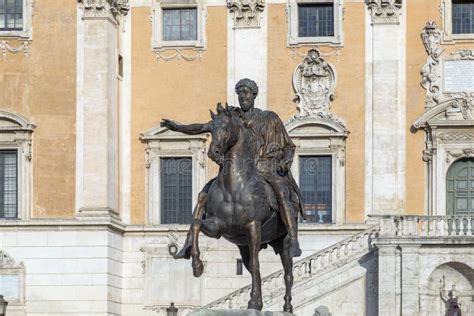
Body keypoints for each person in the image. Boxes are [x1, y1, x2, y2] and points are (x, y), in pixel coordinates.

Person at [161, 78, 304, 257]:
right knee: (205, 193)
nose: (243, 96)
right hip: (240, 169)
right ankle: (189, 242)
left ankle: (292, 237)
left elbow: (289, 146)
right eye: (240, 93)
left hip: (266, 167)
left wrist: (286, 160)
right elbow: (203, 127)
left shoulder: (269, 118)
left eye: (246, 92)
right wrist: (178, 127)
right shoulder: (232, 118)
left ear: (254, 95)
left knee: (282, 191)